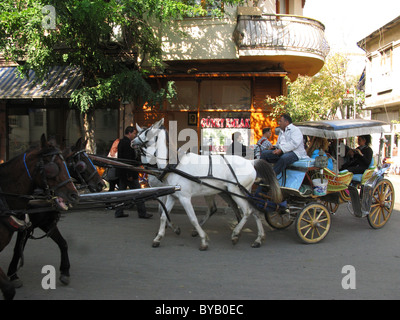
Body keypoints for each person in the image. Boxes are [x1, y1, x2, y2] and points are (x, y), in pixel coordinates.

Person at [115, 126, 152, 219]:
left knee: (121, 193)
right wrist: (130, 174)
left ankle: (118, 212)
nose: (135, 135)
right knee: (138, 192)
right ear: (129, 133)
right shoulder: (127, 143)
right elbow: (127, 160)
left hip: (123, 172)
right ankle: (142, 213)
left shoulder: (122, 142)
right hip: (129, 173)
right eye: (134, 133)